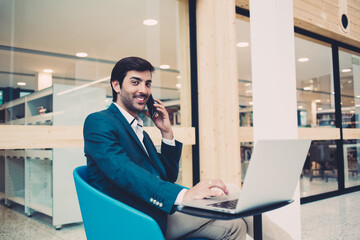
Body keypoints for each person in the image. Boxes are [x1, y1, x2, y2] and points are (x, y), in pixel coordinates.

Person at [83, 56, 292, 240]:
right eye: (135, 82)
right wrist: (184, 196)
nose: (143, 90)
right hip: (137, 219)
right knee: (235, 192)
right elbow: (123, 171)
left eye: (147, 84)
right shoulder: (99, 121)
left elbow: (168, 175)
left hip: (157, 211)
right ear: (117, 86)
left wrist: (167, 133)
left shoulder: (141, 131)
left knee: (233, 225)